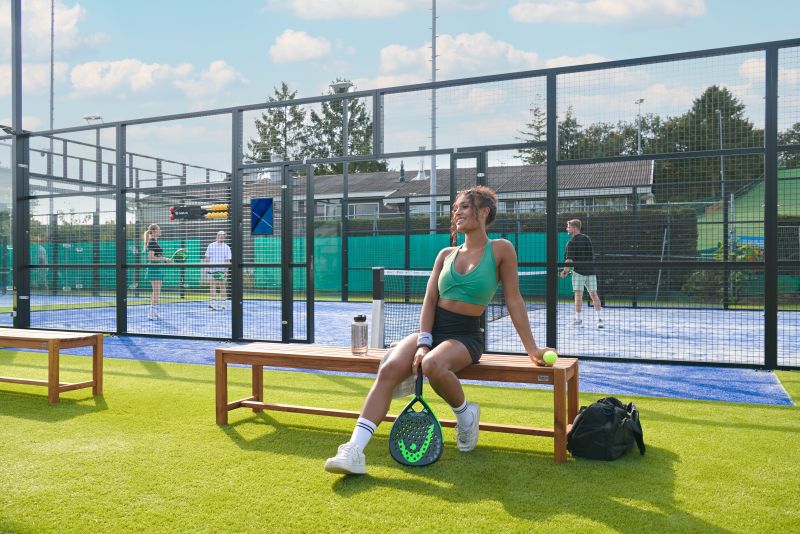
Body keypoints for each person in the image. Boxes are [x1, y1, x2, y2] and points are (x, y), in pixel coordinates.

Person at [324, 185, 554, 475]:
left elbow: (514, 300)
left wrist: (532, 349)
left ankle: (465, 415)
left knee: (433, 365)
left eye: (464, 207)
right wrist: (422, 341)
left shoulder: (501, 250)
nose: (456, 212)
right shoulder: (445, 253)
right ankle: (354, 450)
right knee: (390, 367)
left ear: (484, 212)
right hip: (434, 330)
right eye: (455, 207)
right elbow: (430, 300)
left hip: (466, 335)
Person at [560, 219, 603, 329]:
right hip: (591, 271)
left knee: (578, 296)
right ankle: (600, 320)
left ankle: (578, 320)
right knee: (594, 295)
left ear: (574, 228)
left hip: (579, 272)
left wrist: (565, 272)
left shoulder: (571, 242)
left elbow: (569, 261)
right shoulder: (587, 239)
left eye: (568, 227)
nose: (567, 229)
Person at [143, 224, 171, 320]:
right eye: (159, 229)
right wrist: (164, 259)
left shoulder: (155, 242)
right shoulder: (152, 242)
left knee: (157, 292)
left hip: (158, 268)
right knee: (156, 291)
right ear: (154, 231)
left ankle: (154, 312)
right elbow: (151, 257)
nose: (160, 231)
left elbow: (157, 257)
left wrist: (165, 260)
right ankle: (150, 313)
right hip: (154, 269)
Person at [204, 230, 232, 310]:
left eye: (223, 235)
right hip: (213, 269)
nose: (222, 236)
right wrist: (206, 268)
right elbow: (207, 258)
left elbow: (227, 260)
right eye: (221, 235)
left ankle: (223, 304)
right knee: (212, 285)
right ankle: (212, 304)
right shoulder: (211, 245)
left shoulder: (227, 247)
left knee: (222, 286)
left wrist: (226, 271)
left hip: (222, 269)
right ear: (217, 236)